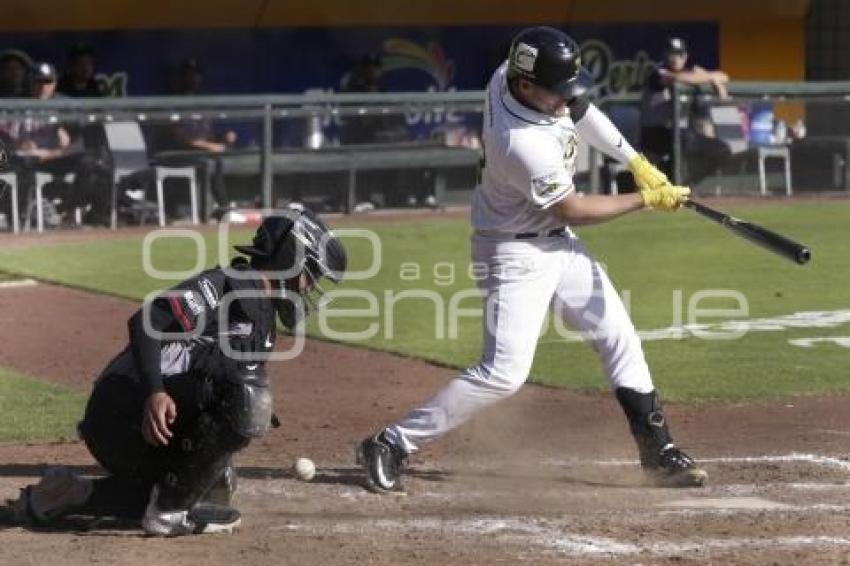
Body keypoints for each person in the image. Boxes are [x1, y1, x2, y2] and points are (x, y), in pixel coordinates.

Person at [357, 27, 707, 493]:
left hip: (555, 243)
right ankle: (391, 442)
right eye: (555, 92)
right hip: (514, 252)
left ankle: (658, 452)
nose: (564, 101)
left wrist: (636, 162)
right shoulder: (519, 142)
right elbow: (573, 210)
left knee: (618, 334)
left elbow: (580, 109)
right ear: (525, 86)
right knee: (503, 374)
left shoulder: (513, 72)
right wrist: (644, 199)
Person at [4, 205, 347, 535]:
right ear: (290, 255)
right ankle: (168, 515)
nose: (308, 287)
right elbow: (146, 321)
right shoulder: (225, 284)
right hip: (123, 411)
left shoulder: (263, 324)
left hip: (157, 429)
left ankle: (72, 495)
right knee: (248, 399)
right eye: (309, 274)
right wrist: (156, 391)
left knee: (210, 485)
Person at [640, 37, 731, 182]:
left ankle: (686, 185)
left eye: (680, 54)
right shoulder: (658, 72)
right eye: (672, 53)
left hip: (680, 135)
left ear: (685, 56)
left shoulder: (691, 77)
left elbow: (724, 77)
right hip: (655, 134)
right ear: (665, 55)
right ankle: (674, 183)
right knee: (685, 140)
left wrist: (711, 80)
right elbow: (674, 78)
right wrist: (708, 77)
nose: (676, 58)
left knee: (721, 150)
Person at [155, 58, 237, 217]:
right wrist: (209, 146)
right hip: (176, 153)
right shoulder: (173, 100)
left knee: (222, 157)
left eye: (195, 75)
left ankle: (229, 207)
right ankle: (223, 207)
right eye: (189, 74)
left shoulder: (203, 101)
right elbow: (179, 136)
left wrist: (224, 138)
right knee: (212, 161)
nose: (193, 78)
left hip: (201, 152)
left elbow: (209, 134)